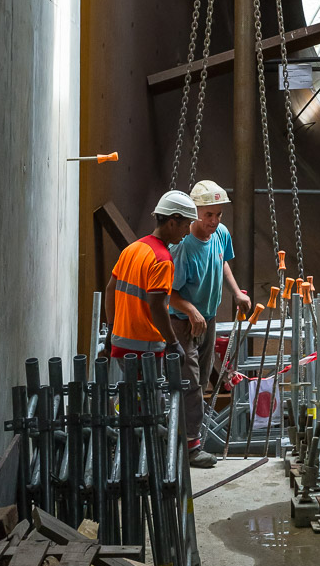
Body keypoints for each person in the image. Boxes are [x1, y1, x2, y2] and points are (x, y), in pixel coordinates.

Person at [169, 179, 251, 466]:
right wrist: (191, 311)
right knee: (189, 381)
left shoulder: (220, 234)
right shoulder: (183, 248)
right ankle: (189, 448)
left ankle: (189, 437)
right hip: (182, 322)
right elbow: (169, 294)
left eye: (218, 215)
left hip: (209, 316)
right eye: (208, 215)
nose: (214, 221)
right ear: (195, 213)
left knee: (202, 380)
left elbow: (222, 262)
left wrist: (237, 292)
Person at [104, 190, 197, 361]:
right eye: (186, 224)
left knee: (127, 388)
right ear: (171, 223)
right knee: (150, 389)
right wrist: (173, 343)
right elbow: (156, 305)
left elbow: (110, 289)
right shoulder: (162, 259)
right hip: (145, 348)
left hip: (120, 342)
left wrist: (111, 328)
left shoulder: (132, 249)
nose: (188, 232)